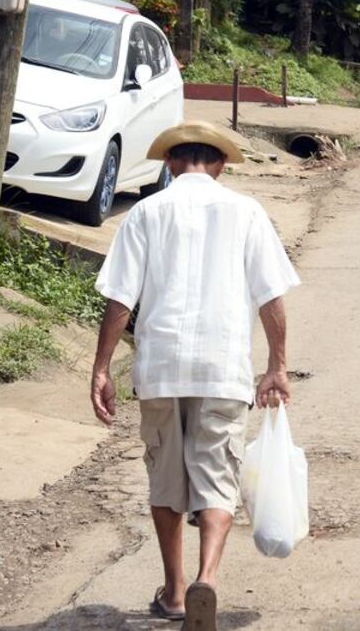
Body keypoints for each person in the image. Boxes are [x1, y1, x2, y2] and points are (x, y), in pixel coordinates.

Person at [90, 120, 300, 631]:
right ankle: (207, 576)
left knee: (165, 479)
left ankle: (175, 592)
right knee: (218, 477)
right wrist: (276, 366)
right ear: (221, 164)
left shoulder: (146, 212)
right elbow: (271, 297)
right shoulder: (247, 212)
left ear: (170, 162)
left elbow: (120, 299)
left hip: (160, 368)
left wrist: (101, 369)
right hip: (222, 368)